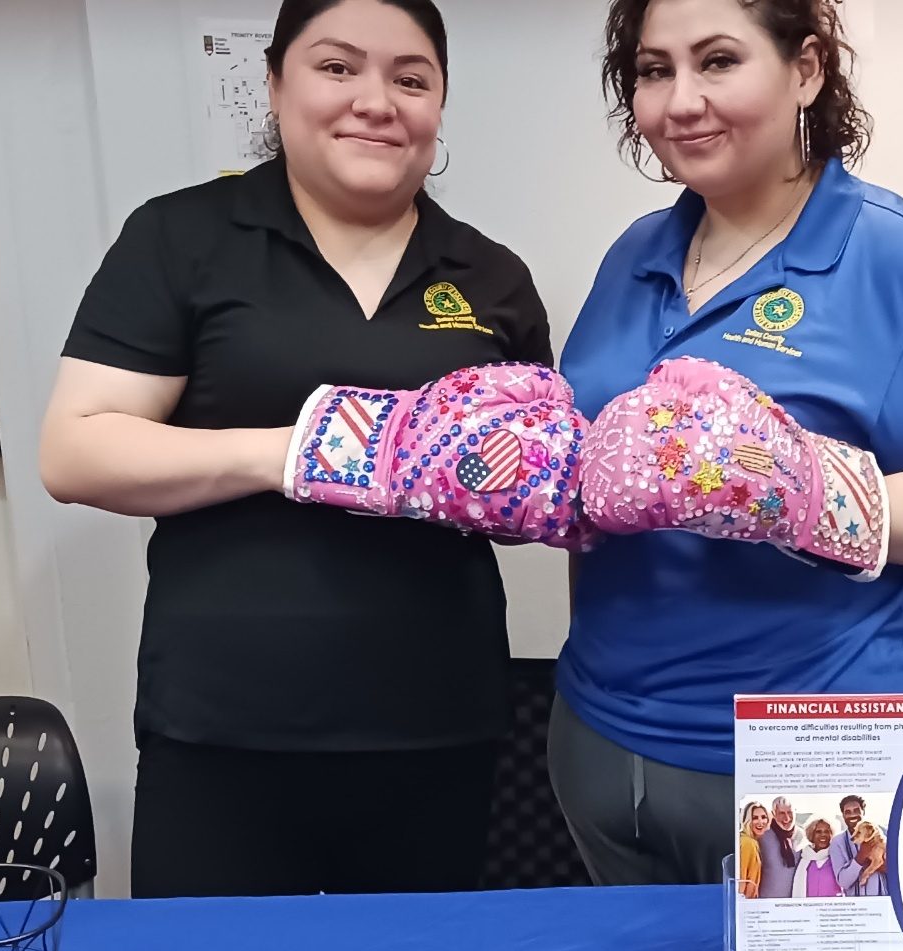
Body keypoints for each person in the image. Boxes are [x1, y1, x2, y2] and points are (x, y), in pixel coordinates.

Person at [38, 0, 558, 898]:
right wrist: (310, 450)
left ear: (439, 105)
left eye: (410, 78)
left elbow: (522, 508)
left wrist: (541, 480)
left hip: (437, 726)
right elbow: (76, 453)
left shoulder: (491, 275)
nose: (376, 100)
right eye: (336, 67)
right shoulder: (183, 237)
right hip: (225, 727)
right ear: (275, 85)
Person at [550, 0, 903, 884]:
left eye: (717, 61)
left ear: (807, 69)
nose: (681, 100)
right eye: (653, 69)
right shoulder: (634, 253)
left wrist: (805, 492)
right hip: (603, 733)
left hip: (809, 754)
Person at [757, 795, 799, 897]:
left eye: (790, 812)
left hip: (793, 903)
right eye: (782, 813)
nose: (787, 818)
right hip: (766, 901)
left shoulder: (804, 836)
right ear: (773, 814)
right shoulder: (762, 837)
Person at [827, 793, 868, 893]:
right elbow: (844, 882)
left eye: (856, 811)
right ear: (843, 815)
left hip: (882, 900)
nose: (852, 815)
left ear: (864, 812)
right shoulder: (838, 842)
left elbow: (894, 869)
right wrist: (862, 855)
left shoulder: (882, 834)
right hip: (854, 904)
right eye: (848, 812)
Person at [796, 817, 839, 897]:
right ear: (811, 835)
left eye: (827, 831)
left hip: (832, 907)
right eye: (818, 832)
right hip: (809, 907)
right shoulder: (804, 858)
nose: (823, 835)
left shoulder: (836, 856)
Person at [735, 801, 770, 896]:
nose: (760, 822)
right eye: (755, 818)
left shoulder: (748, 840)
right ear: (746, 820)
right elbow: (741, 880)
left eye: (763, 817)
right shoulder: (748, 843)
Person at [847, 819, 887, 897]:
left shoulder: (879, 845)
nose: (853, 836)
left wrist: (865, 875)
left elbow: (878, 861)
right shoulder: (867, 844)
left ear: (869, 833)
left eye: (858, 833)